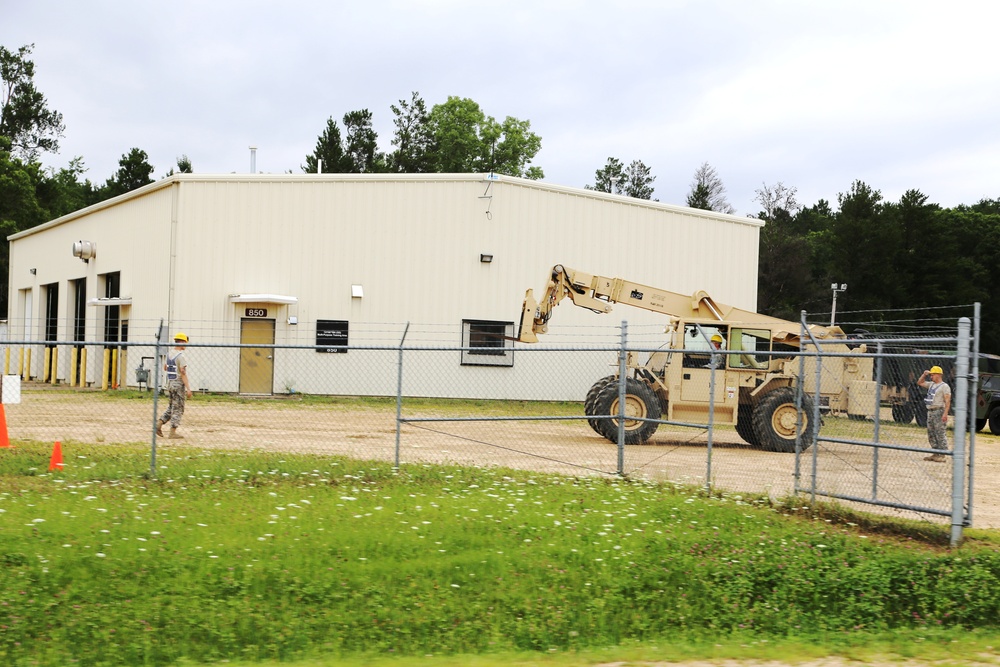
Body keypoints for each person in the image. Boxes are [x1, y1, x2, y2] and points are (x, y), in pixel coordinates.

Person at [157, 332, 192, 439]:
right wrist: (188, 389)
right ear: (181, 342)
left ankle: (158, 424)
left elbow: (165, 368)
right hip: (178, 385)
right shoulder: (180, 356)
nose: (186, 345)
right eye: (185, 343)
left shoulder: (169, 354)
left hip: (170, 383)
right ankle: (172, 432)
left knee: (172, 406)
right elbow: (183, 373)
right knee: (179, 408)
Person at [917, 365, 951, 462]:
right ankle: (935, 453)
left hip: (939, 410)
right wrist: (924, 374)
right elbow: (920, 382)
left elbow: (947, 401)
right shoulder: (931, 384)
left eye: (932, 375)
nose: (931, 377)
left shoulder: (944, 386)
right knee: (931, 433)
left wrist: (945, 414)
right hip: (930, 411)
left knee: (940, 432)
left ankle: (942, 454)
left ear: (938, 375)